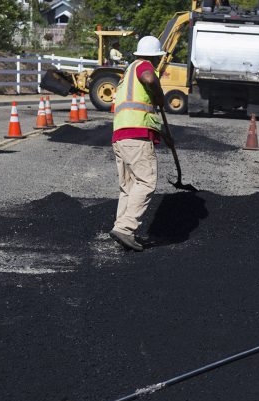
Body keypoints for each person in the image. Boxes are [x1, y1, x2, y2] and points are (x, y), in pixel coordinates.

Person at [109, 35, 170, 252]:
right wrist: (160, 95)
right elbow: (151, 81)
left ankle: (120, 228)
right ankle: (126, 228)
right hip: (136, 136)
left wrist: (164, 135)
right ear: (155, 56)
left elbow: (141, 108)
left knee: (128, 187)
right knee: (146, 182)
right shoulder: (145, 66)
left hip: (120, 135)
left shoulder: (127, 73)